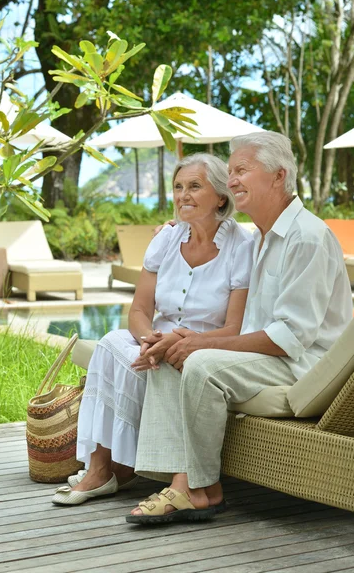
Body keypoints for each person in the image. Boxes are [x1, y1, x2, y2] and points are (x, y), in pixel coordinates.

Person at [127, 130, 353, 524]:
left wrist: (202, 347)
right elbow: (247, 322)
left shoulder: (306, 238)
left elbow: (291, 336)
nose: (230, 181)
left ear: (278, 176)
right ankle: (191, 482)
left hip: (303, 364)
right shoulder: (263, 236)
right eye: (230, 172)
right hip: (276, 355)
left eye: (241, 171)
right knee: (171, 350)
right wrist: (188, 338)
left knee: (197, 363)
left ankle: (194, 489)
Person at [51, 152, 254, 506]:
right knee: (112, 342)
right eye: (178, 187)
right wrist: (149, 341)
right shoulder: (167, 239)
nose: (182, 196)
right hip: (155, 341)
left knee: (164, 357)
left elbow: (234, 326)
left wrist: (176, 342)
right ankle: (100, 467)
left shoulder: (242, 247)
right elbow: (140, 309)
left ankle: (124, 468)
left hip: (205, 346)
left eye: (194, 186)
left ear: (221, 196)